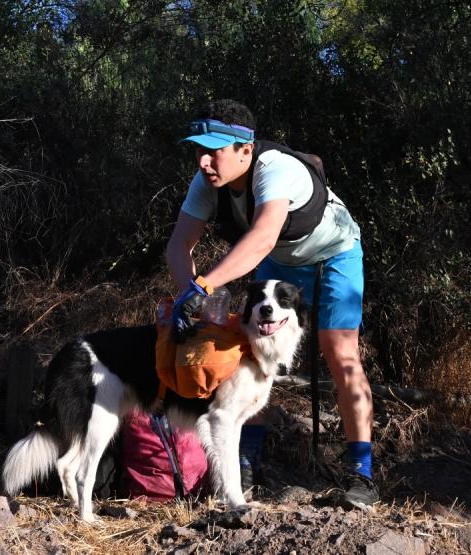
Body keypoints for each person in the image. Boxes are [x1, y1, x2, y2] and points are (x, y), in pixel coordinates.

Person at [165, 99, 378, 510]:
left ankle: (362, 474)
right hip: (281, 260)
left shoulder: (275, 169)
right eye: (199, 150)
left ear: (245, 150)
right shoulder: (206, 180)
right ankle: (245, 458)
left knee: (339, 351)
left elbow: (261, 237)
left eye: (215, 151)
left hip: (334, 253)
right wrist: (188, 293)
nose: (204, 161)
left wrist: (204, 284)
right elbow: (179, 244)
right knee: (248, 352)